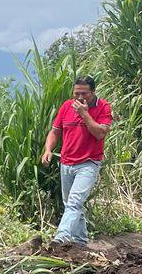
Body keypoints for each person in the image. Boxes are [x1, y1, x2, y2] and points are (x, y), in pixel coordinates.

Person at [39, 75, 113, 248]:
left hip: (89, 163)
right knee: (71, 204)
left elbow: (100, 133)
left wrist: (84, 114)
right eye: (76, 93)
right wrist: (48, 150)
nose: (79, 97)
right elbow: (55, 131)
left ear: (93, 92)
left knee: (74, 202)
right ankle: (80, 242)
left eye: (84, 93)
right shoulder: (66, 106)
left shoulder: (103, 107)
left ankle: (61, 237)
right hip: (66, 162)